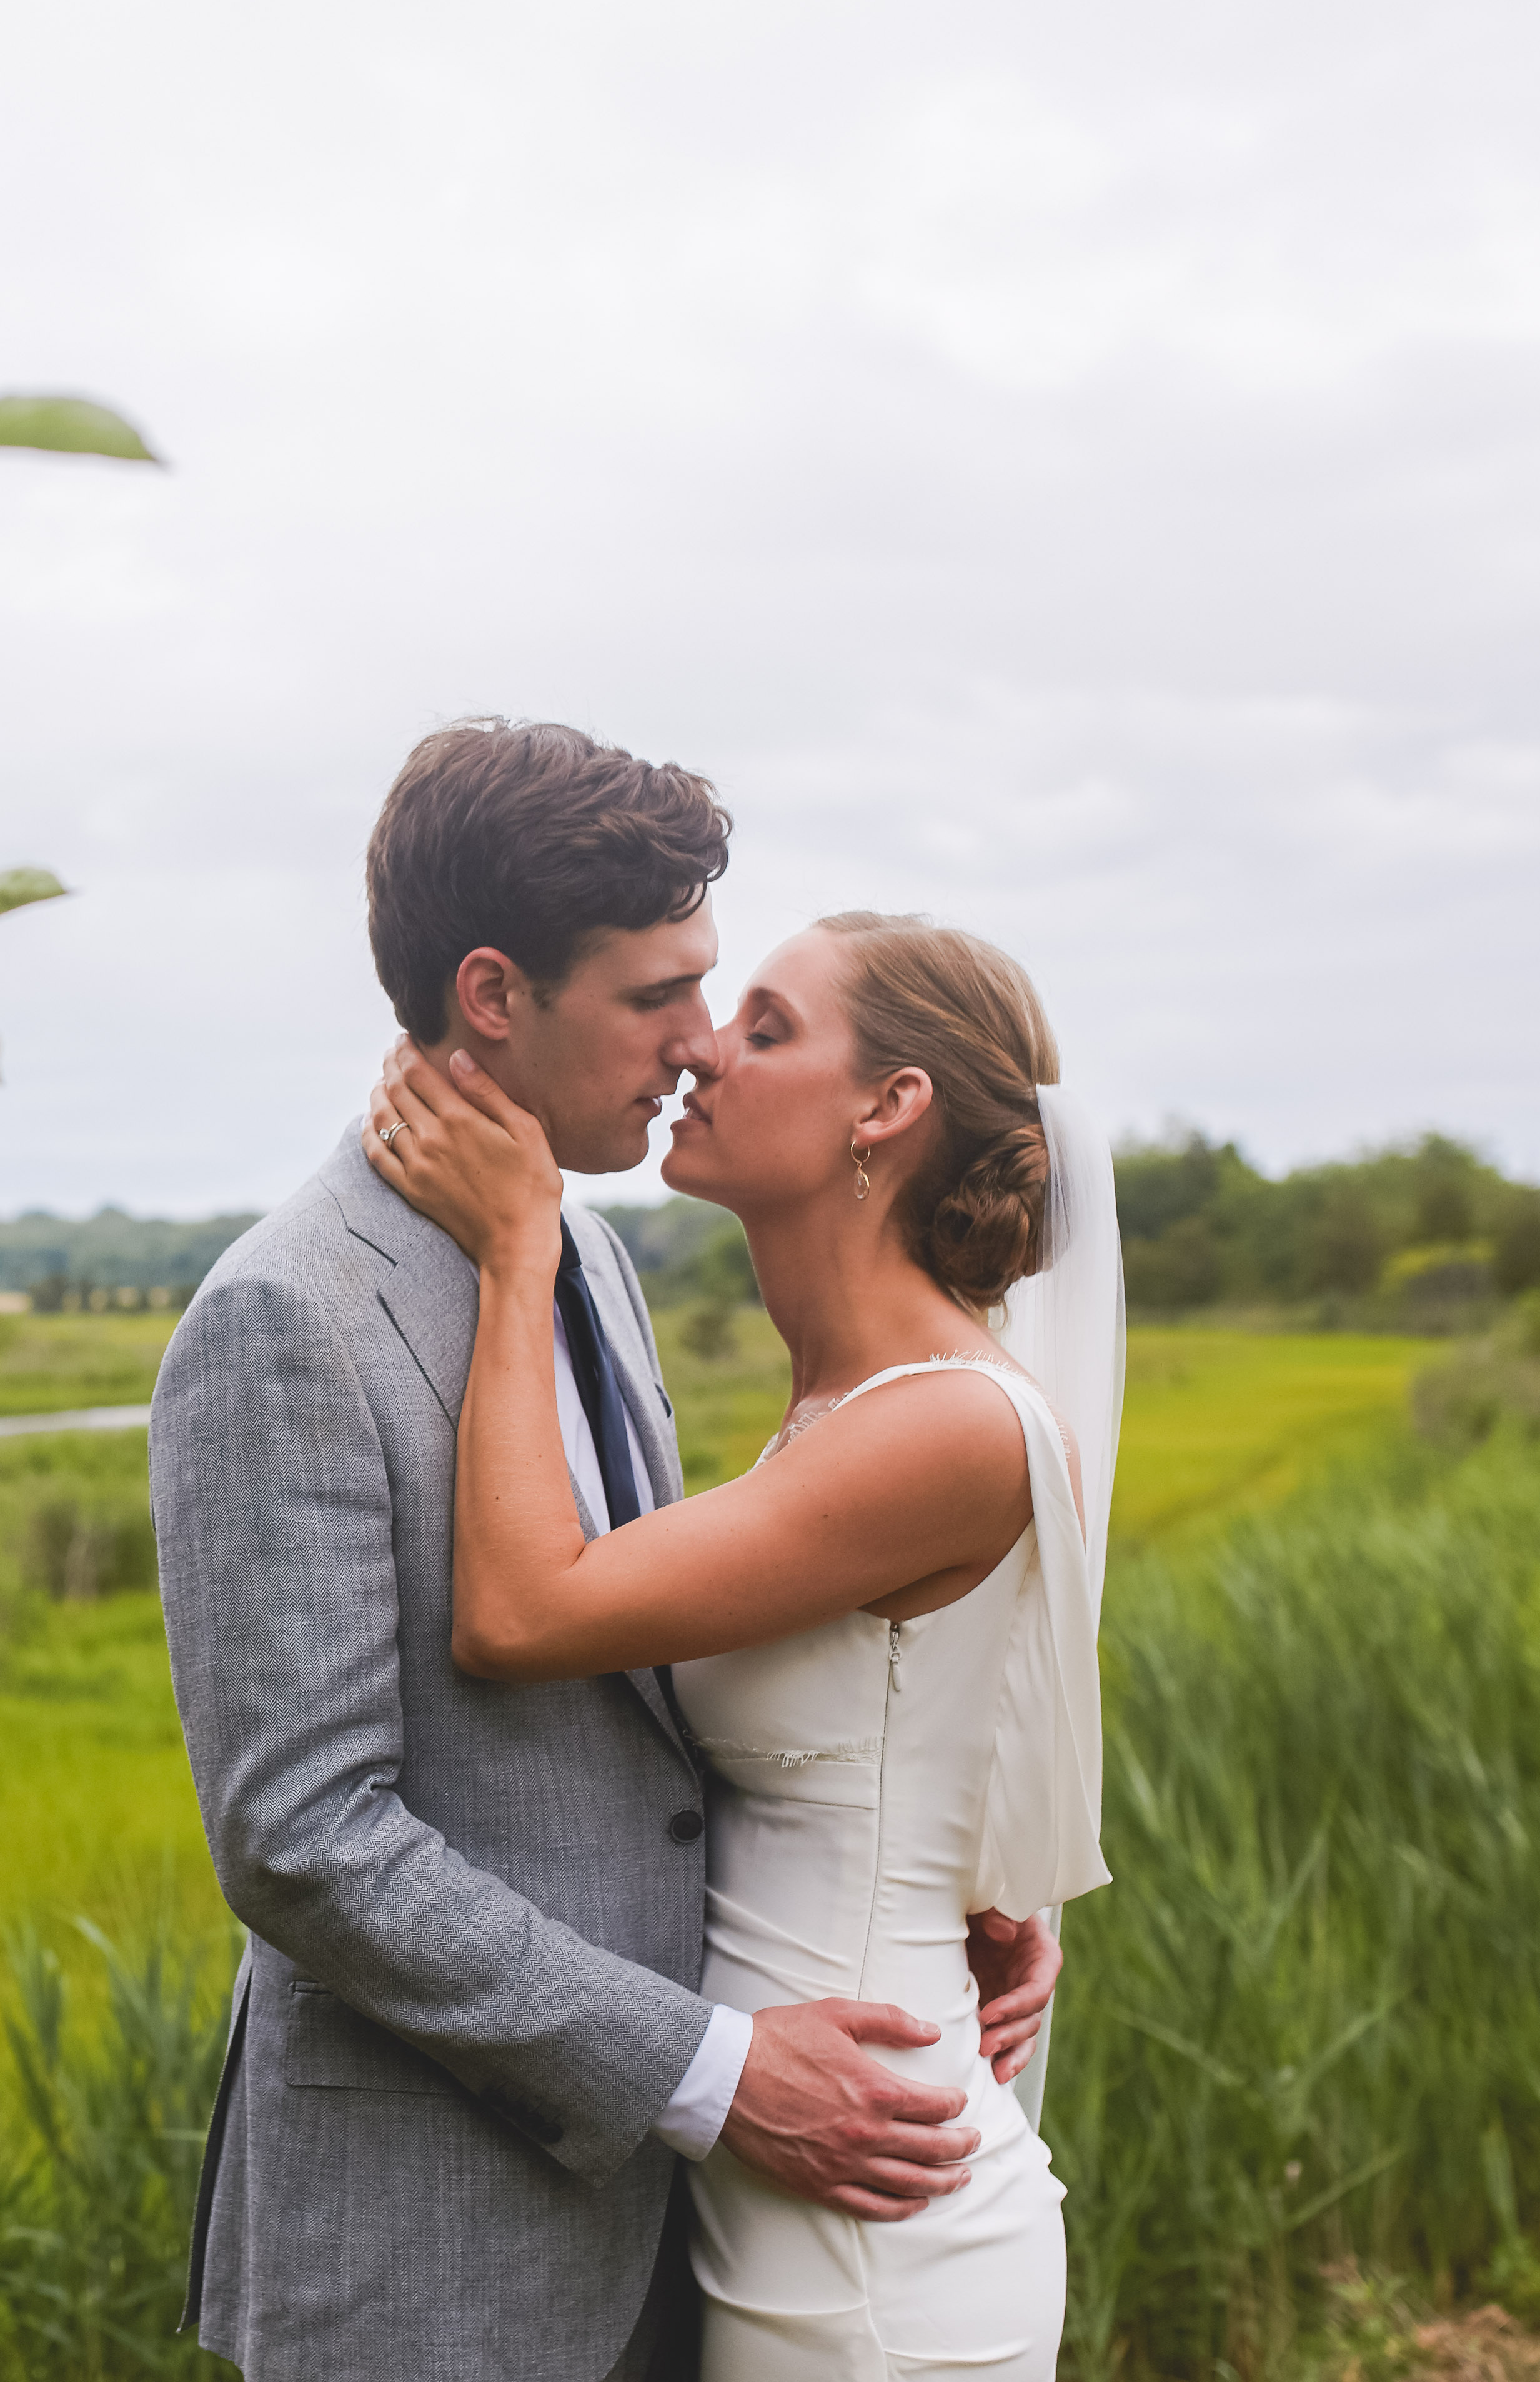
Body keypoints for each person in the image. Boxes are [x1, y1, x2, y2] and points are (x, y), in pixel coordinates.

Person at [151, 721, 1068, 2382]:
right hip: (436, 2253)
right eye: (662, 997)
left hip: (681, 2233)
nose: (698, 1044)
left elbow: (655, 1715)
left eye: (725, 997)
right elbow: (298, 1838)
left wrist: (941, 1882)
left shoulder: (586, 1261)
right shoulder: (288, 1319)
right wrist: (713, 2073)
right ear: (497, 997)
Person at [360, 904, 1126, 2380]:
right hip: (785, 2188)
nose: (704, 1049)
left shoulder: (949, 1424)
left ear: (886, 1113)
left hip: (871, 2245)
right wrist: (982, 1885)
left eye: (768, 1028)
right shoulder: (850, 1412)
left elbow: (524, 1614)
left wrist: (521, 1251)